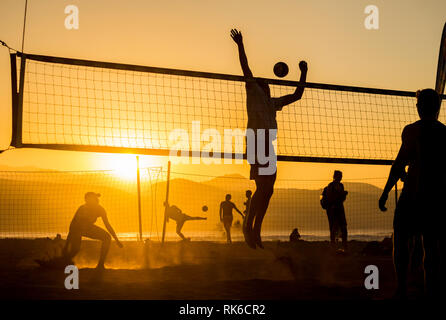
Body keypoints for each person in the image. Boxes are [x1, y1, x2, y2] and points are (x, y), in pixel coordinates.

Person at [230, 28, 308, 249]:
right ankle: (249, 227)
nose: (266, 84)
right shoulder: (253, 92)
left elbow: (297, 95)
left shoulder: (273, 103)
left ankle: (256, 229)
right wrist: (240, 44)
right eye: (263, 82)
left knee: (268, 190)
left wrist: (304, 72)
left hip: (267, 145)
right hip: (256, 143)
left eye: (266, 83)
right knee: (263, 189)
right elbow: (246, 68)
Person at [379, 89, 446, 299]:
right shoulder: (445, 133)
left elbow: (398, 165)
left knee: (401, 241)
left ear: (419, 107)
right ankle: (431, 291)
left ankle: (401, 289)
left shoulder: (411, 131)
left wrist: (386, 191)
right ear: (438, 108)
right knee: (432, 247)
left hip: (413, 197)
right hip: (435, 198)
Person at [62, 192, 123, 269]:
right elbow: (72, 226)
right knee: (75, 249)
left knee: (107, 237)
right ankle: (62, 261)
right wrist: (66, 244)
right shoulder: (82, 209)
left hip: (88, 228)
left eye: (91, 200)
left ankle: (100, 264)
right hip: (77, 229)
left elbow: (107, 225)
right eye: (87, 200)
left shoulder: (100, 209)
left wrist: (117, 240)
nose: (88, 202)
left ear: (95, 200)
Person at [322, 170, 348, 250]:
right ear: (335, 176)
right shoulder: (331, 186)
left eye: (341, 176)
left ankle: (344, 245)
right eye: (339, 176)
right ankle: (334, 245)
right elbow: (331, 197)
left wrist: (343, 195)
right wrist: (341, 194)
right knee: (334, 227)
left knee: (343, 227)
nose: (340, 177)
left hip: (339, 208)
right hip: (333, 209)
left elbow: (342, 199)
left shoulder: (341, 185)